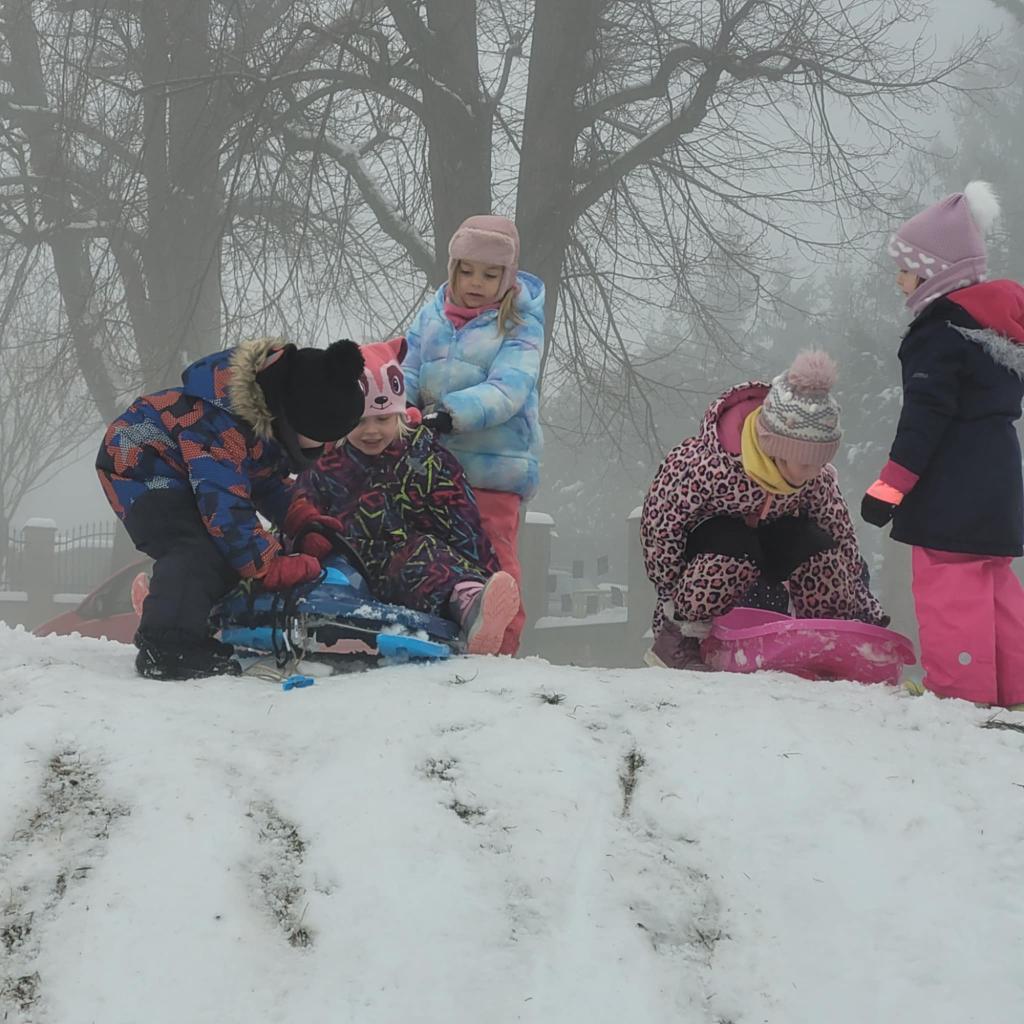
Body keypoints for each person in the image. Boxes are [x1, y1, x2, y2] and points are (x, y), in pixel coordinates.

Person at [96, 339, 365, 679]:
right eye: (327, 437)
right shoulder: (220, 423)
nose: (329, 446)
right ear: (298, 419)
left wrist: (299, 517)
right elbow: (224, 503)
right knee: (195, 549)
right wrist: (267, 565)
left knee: (226, 553)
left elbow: (263, 481)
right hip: (140, 465)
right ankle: (165, 648)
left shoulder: (263, 423)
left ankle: (192, 630)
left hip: (186, 473)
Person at [861, 181, 1024, 708]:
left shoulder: (938, 334)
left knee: (950, 586)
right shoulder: (994, 332)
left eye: (906, 267)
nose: (898, 278)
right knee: (995, 585)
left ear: (936, 271)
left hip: (953, 488)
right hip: (999, 480)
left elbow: (923, 422)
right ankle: (1014, 689)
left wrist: (888, 489)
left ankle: (959, 693)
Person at [641, 350, 886, 669]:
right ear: (776, 449)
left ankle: (825, 640)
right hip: (710, 557)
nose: (815, 472)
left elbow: (840, 535)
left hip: (769, 548)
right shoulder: (706, 465)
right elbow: (661, 525)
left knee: (819, 547)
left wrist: (864, 608)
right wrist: (670, 592)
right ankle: (679, 639)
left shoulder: (815, 477)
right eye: (806, 463)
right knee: (735, 544)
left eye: (821, 462)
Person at [291, 338, 520, 655]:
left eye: (382, 419)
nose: (372, 431)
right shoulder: (326, 463)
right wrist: (303, 537)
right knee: (298, 565)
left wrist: (481, 569)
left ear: (398, 414)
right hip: (344, 565)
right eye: (360, 421)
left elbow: (461, 521)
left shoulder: (425, 459)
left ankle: (471, 605)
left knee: (427, 557)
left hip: (405, 567)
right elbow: (297, 508)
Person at [402, 215, 544, 655]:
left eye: (489, 274)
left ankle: (504, 641)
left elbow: (509, 388)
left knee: (494, 551)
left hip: (494, 466)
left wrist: (451, 412)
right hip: (435, 464)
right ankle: (450, 632)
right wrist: (397, 407)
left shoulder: (519, 324)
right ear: (453, 270)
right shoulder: (431, 316)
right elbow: (409, 368)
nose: (476, 283)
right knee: (438, 549)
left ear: (507, 276)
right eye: (467, 271)